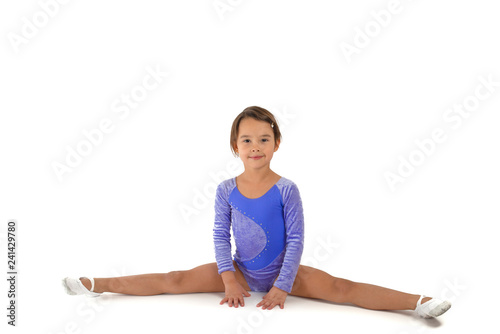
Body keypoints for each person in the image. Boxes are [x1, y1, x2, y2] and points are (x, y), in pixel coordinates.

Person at [62, 106, 451, 318]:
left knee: (341, 289)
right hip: (242, 273)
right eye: (247, 139)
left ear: (277, 142)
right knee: (176, 278)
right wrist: (229, 279)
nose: (255, 146)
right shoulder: (225, 190)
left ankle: (416, 303)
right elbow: (219, 236)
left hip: (288, 274)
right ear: (235, 145)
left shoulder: (286, 189)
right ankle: (98, 283)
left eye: (264, 139)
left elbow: (297, 238)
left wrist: (283, 285)